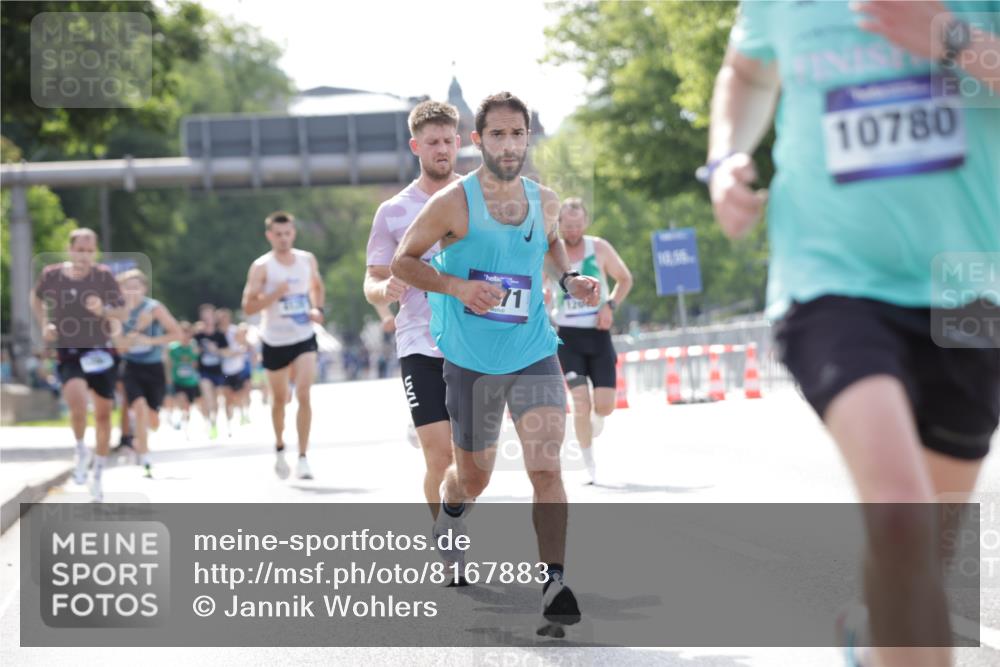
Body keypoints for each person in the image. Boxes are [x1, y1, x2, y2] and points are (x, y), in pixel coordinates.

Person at [707, 3, 1000, 666]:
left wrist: (953, 39)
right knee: (901, 513)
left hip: (969, 287)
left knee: (925, 548)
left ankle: (872, 635)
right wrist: (724, 159)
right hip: (829, 279)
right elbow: (747, 72)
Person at [392, 92, 601, 636]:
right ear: (478, 140)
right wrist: (457, 286)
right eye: (498, 135)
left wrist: (568, 278)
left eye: (517, 134)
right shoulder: (453, 203)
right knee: (473, 478)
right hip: (471, 362)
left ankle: (554, 582)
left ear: (527, 137)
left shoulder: (544, 200)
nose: (509, 145)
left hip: (534, 350)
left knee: (546, 468)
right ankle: (451, 511)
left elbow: (550, 243)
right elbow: (403, 262)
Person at [365, 99, 461, 516]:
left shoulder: (479, 198)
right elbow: (371, 281)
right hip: (419, 341)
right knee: (440, 457)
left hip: (475, 341)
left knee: (471, 461)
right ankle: (449, 536)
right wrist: (384, 287)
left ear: (458, 143)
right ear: (415, 146)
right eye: (432, 142)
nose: (442, 149)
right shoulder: (393, 211)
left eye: (448, 141)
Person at [30, 227, 128, 501]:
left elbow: (123, 311)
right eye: (80, 250)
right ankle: (80, 449)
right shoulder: (52, 274)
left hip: (100, 351)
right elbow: (36, 298)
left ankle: (98, 473)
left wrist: (103, 310)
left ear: (95, 252)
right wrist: (45, 323)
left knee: (104, 415)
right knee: (77, 401)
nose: (84, 255)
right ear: (70, 249)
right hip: (69, 349)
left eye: (90, 250)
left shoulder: (104, 276)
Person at [548, 198, 632, 484]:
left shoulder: (599, 248)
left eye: (577, 225)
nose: (573, 231)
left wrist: (610, 305)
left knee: (605, 406)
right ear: (559, 224)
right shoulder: (552, 253)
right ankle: (589, 465)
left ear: (585, 222)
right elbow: (537, 285)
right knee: (580, 402)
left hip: (598, 333)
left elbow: (625, 279)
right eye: (567, 226)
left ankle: (596, 419)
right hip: (568, 336)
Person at [242, 211, 325, 480]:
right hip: (274, 340)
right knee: (279, 400)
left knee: (304, 393)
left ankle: (303, 457)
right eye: (278, 234)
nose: (283, 238)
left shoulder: (306, 259)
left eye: (287, 233)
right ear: (269, 236)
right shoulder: (262, 266)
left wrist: (317, 309)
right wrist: (274, 294)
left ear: (293, 233)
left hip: (303, 336)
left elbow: (316, 286)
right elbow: (248, 306)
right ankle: (280, 447)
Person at [113, 269, 181, 478]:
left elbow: (177, 334)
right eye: (127, 287)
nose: (132, 291)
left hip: (154, 367)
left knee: (153, 420)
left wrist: (151, 340)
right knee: (139, 408)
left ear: (144, 288)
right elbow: (119, 348)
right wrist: (137, 329)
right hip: (131, 367)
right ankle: (145, 457)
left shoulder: (155, 308)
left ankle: (140, 440)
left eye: (136, 287)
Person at [193, 304, 227, 440]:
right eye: (205, 316)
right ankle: (208, 422)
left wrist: (216, 350)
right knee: (208, 397)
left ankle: (214, 422)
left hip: (218, 371)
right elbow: (192, 352)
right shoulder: (198, 335)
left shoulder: (219, 334)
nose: (207, 318)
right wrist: (196, 351)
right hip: (204, 371)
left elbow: (227, 351)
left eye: (209, 315)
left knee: (216, 400)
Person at [165, 321, 201, 434]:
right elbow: (168, 364)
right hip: (178, 381)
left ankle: (185, 424)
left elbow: (195, 364)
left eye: (187, 332)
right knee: (182, 400)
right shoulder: (172, 348)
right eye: (183, 332)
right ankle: (179, 421)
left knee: (188, 406)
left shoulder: (193, 347)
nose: (185, 335)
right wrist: (168, 377)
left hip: (191, 382)